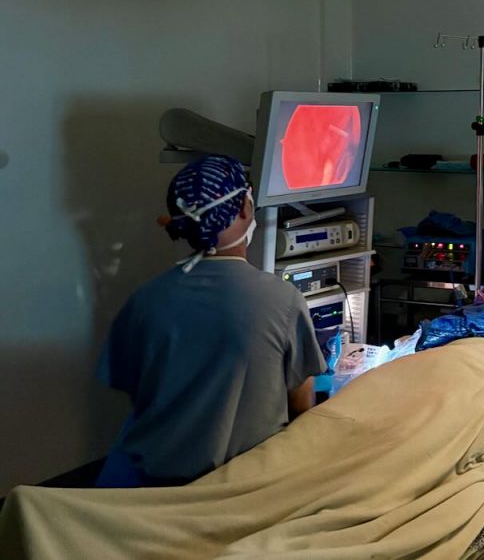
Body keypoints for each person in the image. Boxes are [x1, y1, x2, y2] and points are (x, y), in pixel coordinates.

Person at [95, 154, 326, 487]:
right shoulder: (282, 300)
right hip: (245, 488)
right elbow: (303, 407)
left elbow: (138, 395)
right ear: (245, 208)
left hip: (157, 488)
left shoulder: (144, 301)